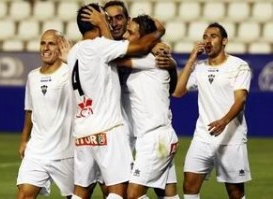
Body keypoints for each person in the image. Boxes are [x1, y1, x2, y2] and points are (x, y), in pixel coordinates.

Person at [64, 3, 165, 199]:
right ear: (95, 21)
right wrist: (160, 31)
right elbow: (142, 46)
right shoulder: (99, 47)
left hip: (83, 132)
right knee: (119, 191)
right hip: (108, 129)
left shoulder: (74, 51)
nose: (109, 21)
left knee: (81, 191)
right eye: (105, 17)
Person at [172, 22, 252, 199]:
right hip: (203, 136)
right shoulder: (199, 68)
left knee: (235, 192)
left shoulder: (239, 66)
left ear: (224, 41)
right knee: (189, 185)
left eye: (213, 36)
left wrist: (224, 121)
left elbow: (241, 99)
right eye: (205, 37)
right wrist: (192, 60)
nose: (208, 40)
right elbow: (177, 92)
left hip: (231, 138)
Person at [115, 14, 180, 199]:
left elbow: (109, 60)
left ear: (144, 38)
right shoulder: (151, 56)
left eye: (131, 32)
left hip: (156, 139)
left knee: (133, 195)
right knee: (167, 194)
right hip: (157, 138)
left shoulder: (153, 59)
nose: (126, 36)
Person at [16, 29, 75, 199]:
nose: (45, 47)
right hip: (37, 150)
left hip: (65, 151)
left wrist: (72, 61)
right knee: (24, 195)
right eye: (43, 43)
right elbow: (29, 110)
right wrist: (23, 141)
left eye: (51, 43)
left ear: (60, 47)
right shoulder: (32, 76)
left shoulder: (70, 72)